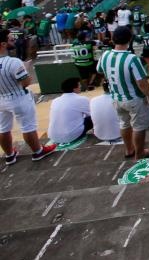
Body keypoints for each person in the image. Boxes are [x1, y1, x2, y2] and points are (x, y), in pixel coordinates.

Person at [97, 26, 149, 158]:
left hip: (116, 97)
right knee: (138, 126)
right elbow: (142, 82)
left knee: (124, 123)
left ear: (113, 39)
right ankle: (140, 153)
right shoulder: (132, 58)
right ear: (129, 39)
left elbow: (100, 70)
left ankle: (129, 150)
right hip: (133, 99)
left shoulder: (105, 55)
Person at [0, 29, 56, 163]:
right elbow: (25, 82)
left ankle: (9, 155)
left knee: (3, 128)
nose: (13, 40)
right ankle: (38, 151)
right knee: (28, 126)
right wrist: (25, 69)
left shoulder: (12, 62)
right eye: (10, 39)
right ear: (2, 44)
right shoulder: (13, 62)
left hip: (1, 98)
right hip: (18, 97)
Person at [47, 77, 92, 145]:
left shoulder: (55, 100)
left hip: (53, 136)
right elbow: (93, 114)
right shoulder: (81, 99)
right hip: (71, 136)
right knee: (96, 116)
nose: (80, 86)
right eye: (79, 85)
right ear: (74, 88)